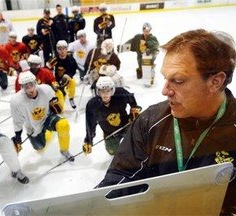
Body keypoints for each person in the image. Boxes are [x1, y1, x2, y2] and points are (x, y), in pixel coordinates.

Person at [96, 29, 236, 215]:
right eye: (165, 78)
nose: (165, 90)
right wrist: (97, 207)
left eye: (178, 80)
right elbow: (122, 176)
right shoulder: (151, 120)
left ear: (215, 82)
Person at [10, 71, 75, 162]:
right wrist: (17, 136)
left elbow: (54, 101)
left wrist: (55, 105)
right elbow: (17, 121)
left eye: (32, 85)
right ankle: (48, 133)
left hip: (47, 118)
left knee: (63, 124)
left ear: (36, 82)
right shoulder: (16, 100)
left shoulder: (46, 89)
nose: (30, 89)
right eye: (26, 87)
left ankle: (64, 150)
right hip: (33, 128)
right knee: (40, 148)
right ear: (21, 87)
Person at [83, 76, 141, 155]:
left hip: (126, 125)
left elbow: (131, 99)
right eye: (102, 91)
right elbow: (90, 124)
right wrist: (88, 140)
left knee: (136, 146)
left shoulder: (121, 93)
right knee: (112, 151)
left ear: (112, 90)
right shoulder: (92, 105)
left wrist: (134, 109)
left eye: (108, 91)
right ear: (97, 91)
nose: (105, 94)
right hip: (110, 133)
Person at [46, 40, 78, 109]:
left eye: (63, 49)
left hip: (67, 79)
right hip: (57, 81)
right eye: (60, 49)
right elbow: (47, 69)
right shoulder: (55, 59)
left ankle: (71, 98)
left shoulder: (71, 59)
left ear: (66, 49)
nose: (62, 51)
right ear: (57, 50)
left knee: (72, 82)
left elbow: (74, 70)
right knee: (60, 101)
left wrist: (68, 76)